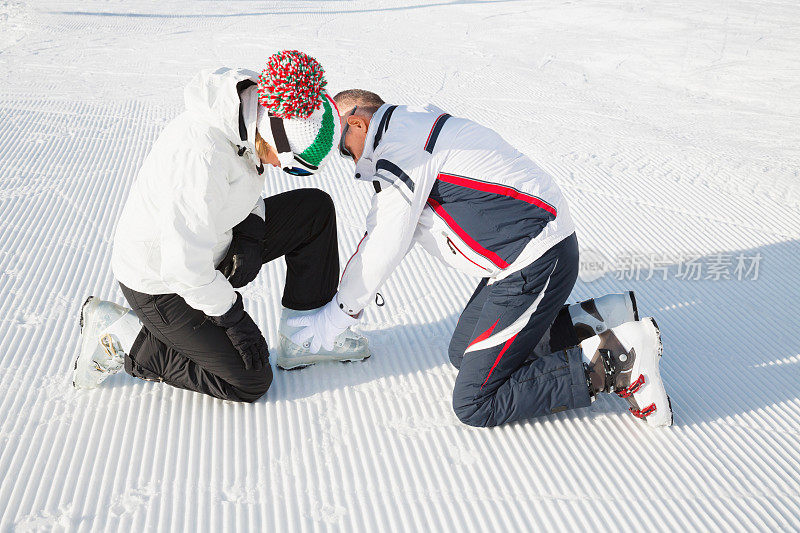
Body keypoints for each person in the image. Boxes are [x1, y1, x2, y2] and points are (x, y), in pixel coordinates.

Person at [289, 89, 673, 426]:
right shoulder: (409, 125)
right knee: (463, 352)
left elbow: (383, 243)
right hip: (529, 255)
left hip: (536, 260)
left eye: (342, 147)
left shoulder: (401, 152)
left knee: (475, 401)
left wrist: (336, 318)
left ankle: (619, 362)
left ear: (357, 123)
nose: (345, 157)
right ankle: (599, 320)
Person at [73, 51, 369, 403]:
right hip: (162, 281)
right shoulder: (201, 159)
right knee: (250, 379)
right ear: (273, 137)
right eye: (289, 165)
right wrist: (233, 317)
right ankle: (124, 339)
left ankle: (303, 336)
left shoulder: (249, 119)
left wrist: (251, 231)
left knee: (313, 210)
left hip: (211, 243)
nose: (280, 170)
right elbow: (184, 267)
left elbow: (243, 188)